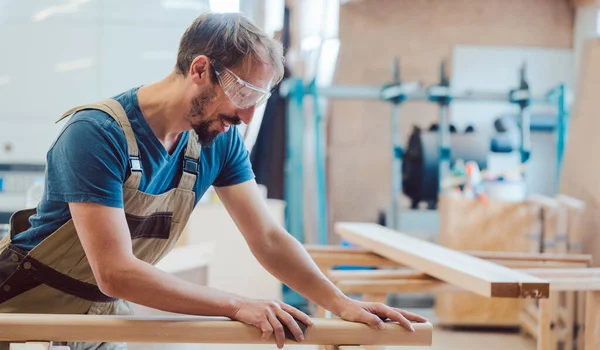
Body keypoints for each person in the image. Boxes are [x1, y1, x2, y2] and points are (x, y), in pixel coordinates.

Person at [0, 11, 426, 350]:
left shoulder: (217, 143)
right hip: (24, 310)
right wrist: (237, 304)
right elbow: (115, 272)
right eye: (242, 95)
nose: (246, 117)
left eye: (257, 101)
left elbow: (268, 239)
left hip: (98, 320)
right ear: (200, 69)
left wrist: (339, 303)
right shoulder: (96, 133)